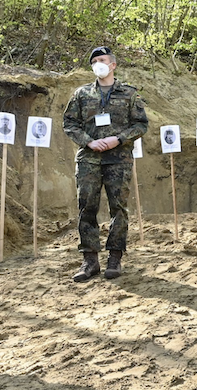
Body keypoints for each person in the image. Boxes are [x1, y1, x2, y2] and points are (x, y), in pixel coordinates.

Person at [63, 46, 149, 282]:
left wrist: (118, 139)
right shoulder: (81, 94)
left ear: (113, 65)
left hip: (118, 159)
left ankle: (115, 257)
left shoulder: (130, 94)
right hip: (89, 159)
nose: (97, 64)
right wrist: (89, 142)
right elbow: (69, 124)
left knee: (118, 208)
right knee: (86, 208)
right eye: (93, 61)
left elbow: (141, 125)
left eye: (101, 60)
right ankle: (90, 260)